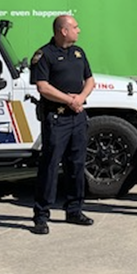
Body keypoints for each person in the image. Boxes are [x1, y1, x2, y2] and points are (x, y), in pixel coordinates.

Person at [30, 15, 96, 235]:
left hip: (77, 117)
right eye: (75, 27)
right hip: (56, 118)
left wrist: (80, 98)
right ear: (63, 31)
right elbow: (43, 87)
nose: (79, 30)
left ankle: (74, 210)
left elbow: (90, 80)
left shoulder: (79, 53)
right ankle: (41, 216)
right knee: (50, 166)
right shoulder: (44, 55)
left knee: (76, 164)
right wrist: (69, 100)